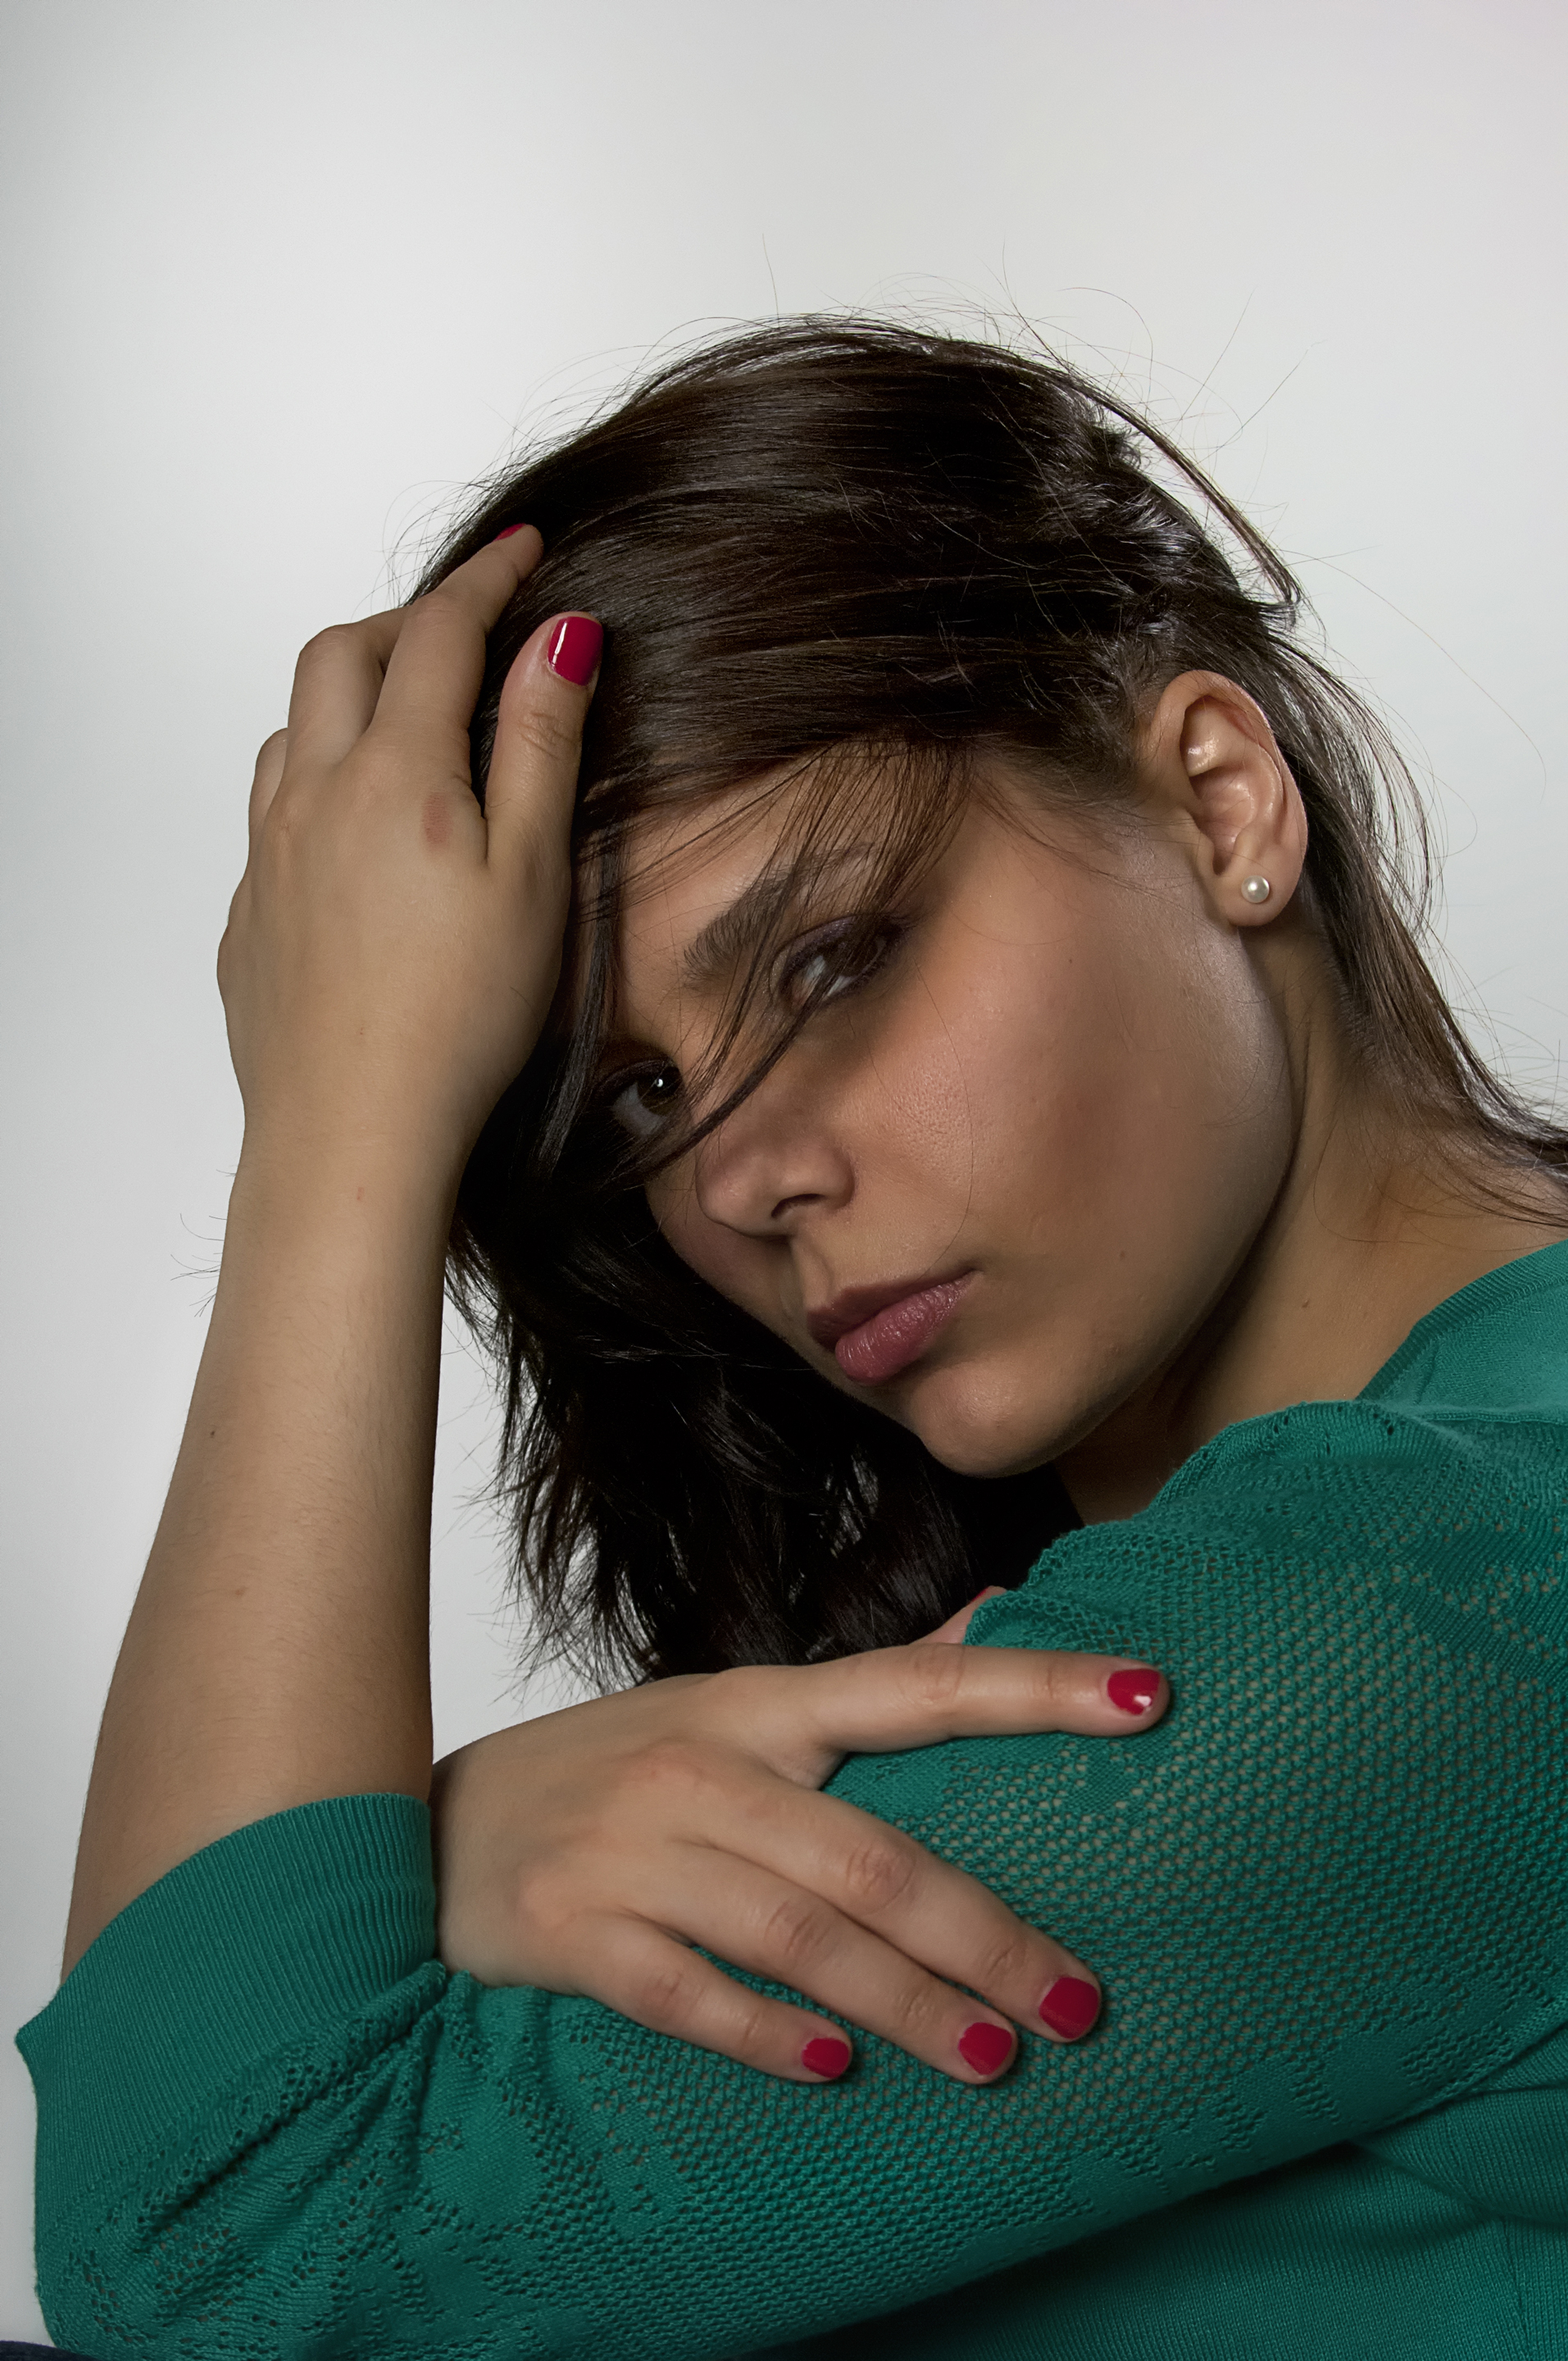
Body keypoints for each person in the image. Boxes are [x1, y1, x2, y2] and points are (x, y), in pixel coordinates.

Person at [18, 320, 1568, 2361]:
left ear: (1219, 799)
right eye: (645, 1099)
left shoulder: (1456, 1584)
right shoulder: (1264, 1568)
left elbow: (221, 2259)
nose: (745, 1179)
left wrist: (335, 1130)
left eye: (831, 960)